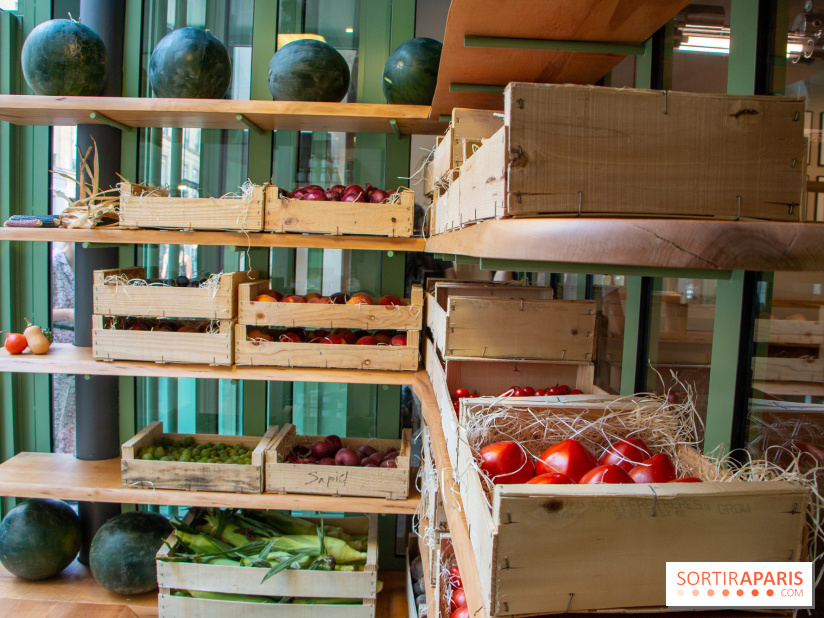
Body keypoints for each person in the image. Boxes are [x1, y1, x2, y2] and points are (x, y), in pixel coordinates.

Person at [51, 242, 75, 454]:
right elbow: (34, 308)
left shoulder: (93, 266)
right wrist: (67, 313)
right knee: (59, 411)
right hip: (57, 344)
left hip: (83, 343)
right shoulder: (52, 263)